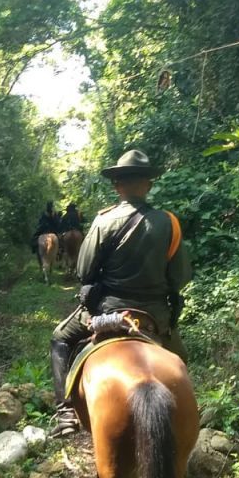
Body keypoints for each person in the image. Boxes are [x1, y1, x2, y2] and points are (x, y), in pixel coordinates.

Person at [48, 149, 192, 437]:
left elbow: (84, 271)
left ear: (117, 185)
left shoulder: (104, 221)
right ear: (149, 184)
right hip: (156, 318)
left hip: (107, 312)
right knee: (181, 364)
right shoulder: (170, 223)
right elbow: (180, 277)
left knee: (60, 339)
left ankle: (65, 411)